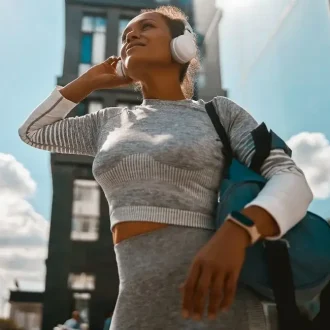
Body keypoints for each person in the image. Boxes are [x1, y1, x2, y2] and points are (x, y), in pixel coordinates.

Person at [18, 5, 313, 329]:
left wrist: (241, 229)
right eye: (127, 32)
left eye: (146, 27)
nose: (131, 34)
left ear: (182, 45)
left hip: (219, 304)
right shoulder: (109, 122)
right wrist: (88, 82)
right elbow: (33, 132)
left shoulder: (219, 114)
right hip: (135, 307)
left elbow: (291, 178)